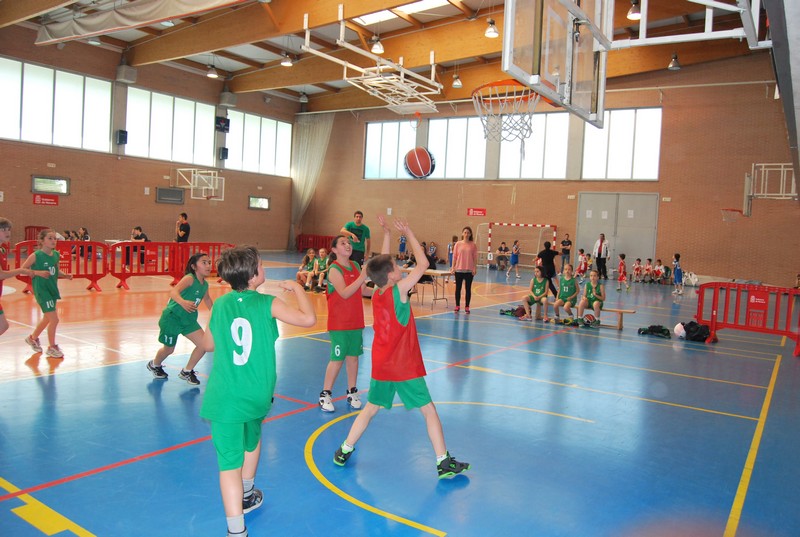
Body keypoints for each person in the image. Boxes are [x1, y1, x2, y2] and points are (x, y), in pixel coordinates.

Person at [333, 216, 470, 480]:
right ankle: (443, 461)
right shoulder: (400, 290)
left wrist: (387, 234)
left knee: (371, 408)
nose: (399, 267)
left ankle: (344, 449)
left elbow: (380, 267)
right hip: (403, 365)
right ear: (391, 275)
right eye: (396, 266)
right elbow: (423, 264)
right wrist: (408, 232)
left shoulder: (378, 292)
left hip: (382, 363)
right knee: (428, 410)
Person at [200, 245, 316, 537]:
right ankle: (248, 492)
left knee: (229, 465)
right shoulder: (268, 303)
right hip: (257, 394)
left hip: (225, 398)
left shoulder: (221, 305)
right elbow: (308, 319)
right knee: (252, 440)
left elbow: (208, 345)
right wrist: (298, 288)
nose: (264, 269)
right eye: (261, 265)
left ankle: (236, 531)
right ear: (252, 276)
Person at [319, 234, 369, 412]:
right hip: (339, 323)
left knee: (353, 358)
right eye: (343, 243)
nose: (347, 245)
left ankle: (352, 392)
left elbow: (362, 290)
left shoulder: (355, 265)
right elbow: (345, 293)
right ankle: (325, 394)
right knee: (337, 359)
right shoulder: (334, 269)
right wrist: (363, 276)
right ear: (334, 249)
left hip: (356, 320)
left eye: (348, 243)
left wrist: (386, 291)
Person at [146, 252, 213, 385]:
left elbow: (207, 300)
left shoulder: (205, 285)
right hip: (172, 318)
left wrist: (217, 313)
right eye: (204, 263)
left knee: (204, 345)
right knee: (169, 349)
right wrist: (183, 302)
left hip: (189, 320)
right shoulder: (189, 279)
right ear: (194, 266)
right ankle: (155, 364)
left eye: (209, 263)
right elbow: (173, 292)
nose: (208, 266)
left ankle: (187, 371)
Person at [22, 229, 73, 358]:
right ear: (42, 241)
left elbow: (55, 270)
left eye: (54, 238)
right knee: (54, 319)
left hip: (52, 289)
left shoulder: (56, 254)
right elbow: (23, 270)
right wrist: (37, 273)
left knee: (47, 318)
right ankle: (52, 347)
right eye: (50, 238)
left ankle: (32, 338)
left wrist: (65, 275)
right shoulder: (36, 256)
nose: (53, 240)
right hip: (42, 290)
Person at [1, 219, 49, 338]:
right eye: (3, 229)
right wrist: (22, 270)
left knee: (3, 326)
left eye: (8, 229)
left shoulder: (2, 249)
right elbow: (1, 275)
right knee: (3, 326)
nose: (7, 232)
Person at [451, 226, 478, 314]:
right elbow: (454, 257)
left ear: (470, 234)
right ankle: (457, 305)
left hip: (469, 270)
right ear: (462, 234)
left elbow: (475, 258)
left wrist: (474, 268)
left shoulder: (473, 245)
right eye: (465, 232)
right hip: (459, 270)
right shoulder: (458, 244)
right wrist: (453, 267)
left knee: (468, 289)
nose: (466, 234)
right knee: (458, 288)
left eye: (468, 233)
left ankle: (467, 306)